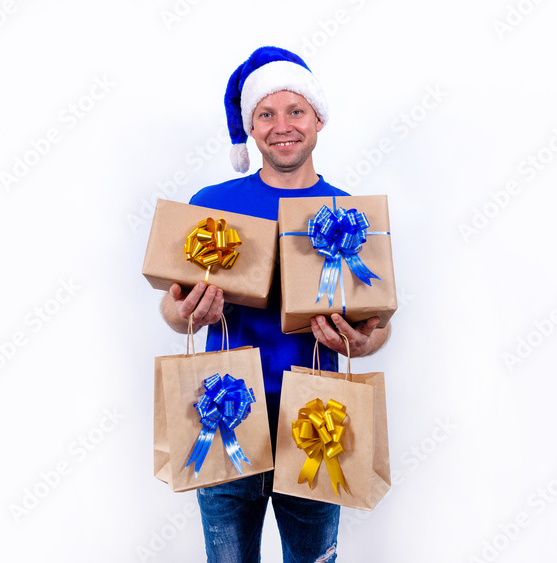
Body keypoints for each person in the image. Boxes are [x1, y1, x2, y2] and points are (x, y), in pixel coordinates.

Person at [159, 46, 390, 563]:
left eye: (295, 111)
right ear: (252, 128)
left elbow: (378, 323)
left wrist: (362, 340)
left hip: (316, 422)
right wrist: (189, 314)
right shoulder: (213, 203)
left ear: (318, 119)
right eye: (266, 113)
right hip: (222, 415)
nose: (281, 125)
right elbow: (172, 311)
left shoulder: (349, 214)